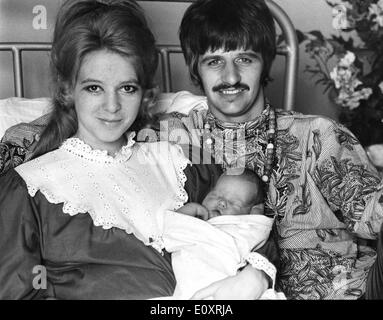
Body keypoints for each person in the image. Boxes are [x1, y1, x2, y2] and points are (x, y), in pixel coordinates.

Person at [0, 0, 277, 300]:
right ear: (67, 89)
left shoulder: (181, 163)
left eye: (127, 88)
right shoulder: (28, 189)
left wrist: (256, 277)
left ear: (145, 94)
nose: (112, 106)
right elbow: (18, 292)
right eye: (94, 88)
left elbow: (251, 228)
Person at [156, 0, 382, 300]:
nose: (231, 77)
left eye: (245, 60)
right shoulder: (175, 136)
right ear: (195, 67)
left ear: (266, 61)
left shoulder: (318, 135)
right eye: (214, 62)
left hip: (343, 289)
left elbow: (375, 213)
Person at [155, 168, 286, 300]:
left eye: (234, 202)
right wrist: (188, 211)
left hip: (232, 288)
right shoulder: (195, 224)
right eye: (215, 196)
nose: (222, 202)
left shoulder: (245, 228)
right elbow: (171, 231)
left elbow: (264, 244)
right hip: (191, 291)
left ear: (253, 212)